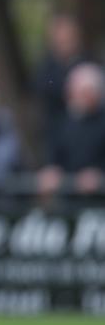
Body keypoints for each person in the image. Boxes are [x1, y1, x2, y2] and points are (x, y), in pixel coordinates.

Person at [37, 63, 105, 196]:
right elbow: (54, 154)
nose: (79, 97)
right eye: (75, 92)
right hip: (70, 197)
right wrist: (51, 170)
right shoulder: (62, 122)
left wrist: (99, 174)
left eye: (85, 92)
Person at [35, 14, 88, 148]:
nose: (65, 43)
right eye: (61, 40)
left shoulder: (88, 62)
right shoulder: (46, 69)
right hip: (57, 133)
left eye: (68, 38)